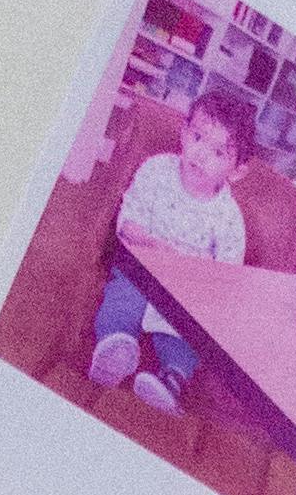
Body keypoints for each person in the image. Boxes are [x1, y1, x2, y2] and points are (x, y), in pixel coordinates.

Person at [88, 85, 246, 421]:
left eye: (219, 153)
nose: (200, 154)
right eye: (198, 137)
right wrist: (156, 248)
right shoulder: (156, 170)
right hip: (140, 267)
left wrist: (195, 283)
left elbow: (226, 278)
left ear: (237, 170)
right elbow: (128, 221)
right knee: (121, 297)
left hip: (185, 292)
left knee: (189, 331)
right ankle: (116, 344)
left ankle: (171, 378)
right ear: (185, 130)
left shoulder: (228, 217)